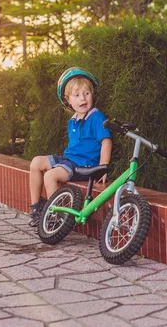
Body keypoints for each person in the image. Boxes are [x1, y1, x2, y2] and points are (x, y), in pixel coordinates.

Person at [28, 67, 112, 227]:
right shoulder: (72, 120)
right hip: (70, 160)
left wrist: (103, 167)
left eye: (87, 93)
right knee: (36, 162)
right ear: (68, 100)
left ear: (92, 95)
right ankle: (37, 207)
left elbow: (106, 142)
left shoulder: (96, 117)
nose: (83, 98)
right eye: (77, 95)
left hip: (84, 164)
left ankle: (56, 216)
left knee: (50, 176)